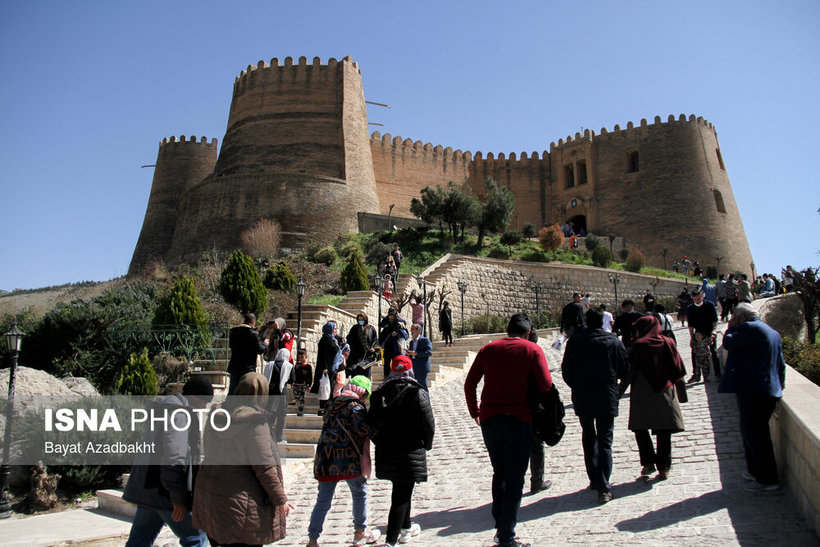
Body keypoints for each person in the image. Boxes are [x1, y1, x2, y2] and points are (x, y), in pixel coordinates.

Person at [464, 313, 552, 547]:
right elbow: (546, 386)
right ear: (527, 333)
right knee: (515, 478)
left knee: (499, 472)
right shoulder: (532, 350)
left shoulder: (488, 349)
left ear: (507, 330)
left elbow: (470, 383)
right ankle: (506, 537)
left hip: (491, 420)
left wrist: (476, 412)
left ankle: (500, 526)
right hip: (520, 419)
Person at [192, 373, 291, 547]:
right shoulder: (255, 423)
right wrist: (280, 499)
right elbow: (265, 468)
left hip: (211, 495)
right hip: (241, 503)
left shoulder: (217, 415)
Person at [123, 377, 214, 547]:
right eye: (204, 401)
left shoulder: (162, 408)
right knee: (196, 538)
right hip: (165, 493)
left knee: (139, 541)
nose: (204, 407)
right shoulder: (179, 414)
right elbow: (174, 458)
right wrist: (178, 498)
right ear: (194, 396)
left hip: (148, 489)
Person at [561, 308, 629, 504]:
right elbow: (625, 369)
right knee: (605, 440)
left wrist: (577, 385)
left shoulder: (575, 342)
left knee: (589, 436)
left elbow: (566, 371)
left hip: (584, 396)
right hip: (606, 396)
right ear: (603, 322)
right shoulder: (613, 341)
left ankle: (593, 478)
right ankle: (604, 486)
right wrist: (617, 390)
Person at [367, 356, 434, 547]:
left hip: (387, 450)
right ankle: (390, 541)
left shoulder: (380, 393)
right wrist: (426, 444)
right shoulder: (417, 392)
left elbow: (370, 424)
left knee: (402, 488)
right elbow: (428, 423)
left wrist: (378, 441)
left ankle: (406, 529)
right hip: (410, 449)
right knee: (401, 494)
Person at [718, 303, 786, 492]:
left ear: (740, 318)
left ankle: (767, 479)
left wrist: (730, 327)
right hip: (767, 390)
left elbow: (729, 343)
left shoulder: (749, 328)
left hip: (754, 391)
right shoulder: (771, 331)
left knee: (756, 436)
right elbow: (781, 364)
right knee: (753, 433)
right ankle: (754, 471)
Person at [307, 376, 381, 547]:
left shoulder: (332, 403)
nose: (365, 400)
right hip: (348, 459)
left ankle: (313, 539)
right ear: (361, 392)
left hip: (326, 458)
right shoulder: (355, 407)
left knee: (323, 500)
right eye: (365, 395)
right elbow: (363, 429)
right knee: (359, 493)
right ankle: (359, 533)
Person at [624, 316, 686, 480]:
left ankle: (648, 462)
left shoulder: (638, 346)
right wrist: (682, 394)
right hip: (664, 389)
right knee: (664, 429)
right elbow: (678, 367)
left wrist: (618, 392)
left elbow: (630, 371)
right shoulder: (668, 342)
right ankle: (664, 467)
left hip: (642, 391)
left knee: (640, 427)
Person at [526, 330, 552, 495]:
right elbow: (546, 384)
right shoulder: (535, 354)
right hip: (534, 408)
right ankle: (537, 481)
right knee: (536, 445)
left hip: (513, 407)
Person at [227, 313, 267, 395]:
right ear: (253, 322)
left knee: (232, 389)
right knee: (246, 390)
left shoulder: (234, 332)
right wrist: (265, 344)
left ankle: (229, 406)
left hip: (235, 366)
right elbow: (260, 350)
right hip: (247, 368)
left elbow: (231, 346)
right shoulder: (253, 334)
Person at [686, 287, 720, 381]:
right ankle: (696, 375)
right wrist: (692, 337)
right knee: (694, 352)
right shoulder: (690, 309)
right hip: (698, 333)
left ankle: (717, 374)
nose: (697, 301)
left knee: (714, 352)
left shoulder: (710, 305)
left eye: (699, 299)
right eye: (695, 299)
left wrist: (714, 330)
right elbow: (690, 325)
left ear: (703, 296)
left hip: (709, 331)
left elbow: (714, 320)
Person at [311, 321, 342, 415]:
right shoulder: (326, 339)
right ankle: (323, 409)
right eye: (334, 328)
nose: (336, 330)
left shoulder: (332, 339)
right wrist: (325, 368)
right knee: (325, 388)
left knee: (329, 388)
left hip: (331, 368)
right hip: (326, 369)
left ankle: (328, 408)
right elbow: (323, 355)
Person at [264, 347, 294, 442]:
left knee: (270, 412)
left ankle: (267, 434)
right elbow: (292, 379)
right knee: (281, 414)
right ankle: (278, 437)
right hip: (281, 391)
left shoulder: (269, 364)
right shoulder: (288, 366)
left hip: (270, 390)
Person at [346, 312, 379, 379]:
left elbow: (375, 341)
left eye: (362, 319)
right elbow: (350, 339)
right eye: (359, 319)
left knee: (365, 376)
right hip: (356, 356)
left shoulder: (371, 329)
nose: (361, 321)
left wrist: (373, 348)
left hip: (367, 357)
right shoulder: (355, 328)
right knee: (355, 375)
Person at [379, 308, 408, 379]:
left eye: (392, 317)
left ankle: (397, 376)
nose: (391, 319)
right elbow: (382, 337)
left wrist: (398, 333)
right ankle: (386, 376)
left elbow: (406, 335)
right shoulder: (387, 327)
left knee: (397, 363)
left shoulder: (399, 326)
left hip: (397, 348)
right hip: (388, 348)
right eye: (390, 317)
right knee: (386, 363)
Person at [406, 323, 433, 390]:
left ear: (419, 331)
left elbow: (429, 352)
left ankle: (426, 400)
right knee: (415, 387)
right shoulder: (411, 342)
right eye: (411, 329)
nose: (411, 331)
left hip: (422, 367)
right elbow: (412, 354)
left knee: (423, 386)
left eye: (413, 329)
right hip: (413, 367)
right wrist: (408, 354)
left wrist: (417, 353)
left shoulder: (425, 340)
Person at [292, 348, 313, 416]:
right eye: (299, 357)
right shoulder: (297, 365)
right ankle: (298, 406)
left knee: (302, 397)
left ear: (306, 357)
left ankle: (300, 409)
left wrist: (309, 385)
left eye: (302, 357)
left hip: (303, 384)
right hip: (296, 384)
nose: (300, 359)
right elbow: (294, 373)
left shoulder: (308, 366)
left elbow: (309, 376)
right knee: (297, 397)